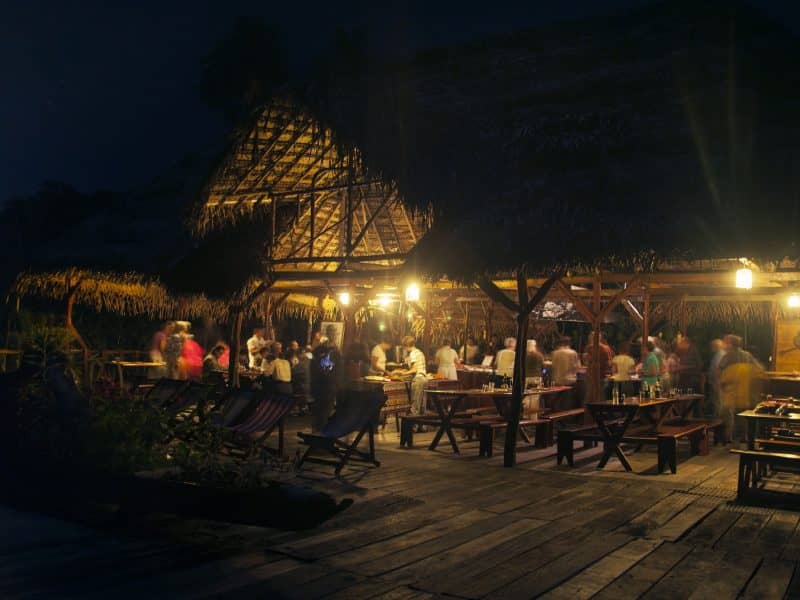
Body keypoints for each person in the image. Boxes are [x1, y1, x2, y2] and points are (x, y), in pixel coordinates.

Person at [310, 338, 342, 432]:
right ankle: (320, 432)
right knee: (323, 412)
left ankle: (318, 431)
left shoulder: (319, 359)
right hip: (326, 388)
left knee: (320, 412)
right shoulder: (328, 359)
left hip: (322, 388)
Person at [399, 336, 427, 416]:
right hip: (424, 379)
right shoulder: (419, 352)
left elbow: (414, 369)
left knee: (415, 406)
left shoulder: (413, 353)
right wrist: (406, 371)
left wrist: (403, 373)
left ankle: (413, 427)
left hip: (418, 379)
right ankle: (422, 427)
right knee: (422, 405)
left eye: (403, 346)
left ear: (406, 346)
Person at [707, 339, 725, 418]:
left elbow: (718, 370)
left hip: (718, 383)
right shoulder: (718, 354)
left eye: (712, 346)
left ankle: (720, 419)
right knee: (717, 402)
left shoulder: (720, 355)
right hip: (716, 382)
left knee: (719, 402)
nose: (711, 348)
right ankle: (719, 417)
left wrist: (716, 383)